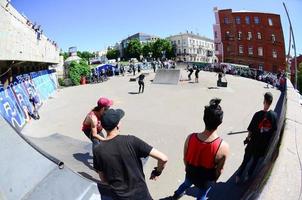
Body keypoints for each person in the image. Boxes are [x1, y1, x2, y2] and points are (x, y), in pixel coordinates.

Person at [93, 108, 168, 200]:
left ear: (103, 127)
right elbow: (163, 158)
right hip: (141, 195)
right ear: (118, 125)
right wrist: (157, 172)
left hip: (118, 197)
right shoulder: (131, 141)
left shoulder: (98, 150)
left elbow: (103, 179)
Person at [172, 98, 229, 200]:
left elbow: (185, 158)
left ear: (204, 118)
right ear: (220, 122)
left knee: (186, 184)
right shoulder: (223, 147)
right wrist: (214, 180)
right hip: (206, 179)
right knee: (202, 195)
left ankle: (176, 194)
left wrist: (188, 168)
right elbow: (219, 170)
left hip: (190, 173)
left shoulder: (190, 138)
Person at [235, 92, 277, 183]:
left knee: (246, 160)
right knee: (255, 161)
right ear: (271, 102)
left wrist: (247, 139)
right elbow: (274, 132)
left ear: (264, 101)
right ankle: (248, 176)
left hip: (253, 143)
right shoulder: (274, 116)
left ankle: (238, 176)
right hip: (262, 145)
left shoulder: (257, 115)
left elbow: (250, 130)